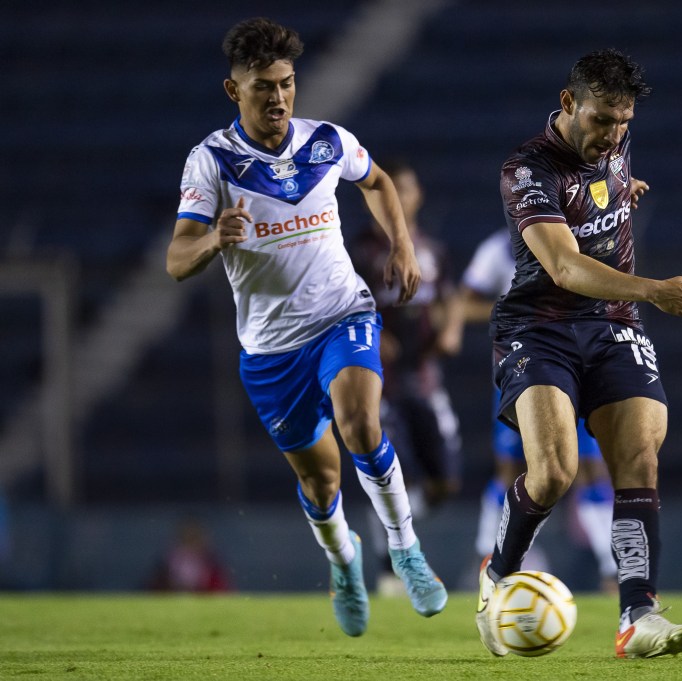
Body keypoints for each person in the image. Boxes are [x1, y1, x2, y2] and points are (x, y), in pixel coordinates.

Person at [166, 17, 446, 637]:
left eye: (287, 83)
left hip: (342, 312)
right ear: (232, 90)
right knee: (321, 482)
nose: (278, 97)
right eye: (262, 86)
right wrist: (215, 237)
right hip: (270, 350)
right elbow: (176, 258)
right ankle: (342, 561)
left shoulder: (325, 140)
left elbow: (375, 181)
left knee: (362, 423)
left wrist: (401, 244)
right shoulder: (211, 161)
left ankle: (405, 548)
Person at [474, 48, 682, 659]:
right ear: (568, 105)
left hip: (611, 322)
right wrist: (655, 290)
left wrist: (619, 191)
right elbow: (561, 266)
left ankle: (637, 614)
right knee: (555, 473)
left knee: (640, 452)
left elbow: (601, 185)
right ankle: (495, 579)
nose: (612, 135)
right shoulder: (526, 168)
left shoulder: (611, 148)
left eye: (623, 124)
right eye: (600, 121)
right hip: (538, 326)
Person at [461, 229, 617, 592]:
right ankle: (487, 555)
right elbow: (463, 303)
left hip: (579, 365)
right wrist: (515, 306)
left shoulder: (582, 237)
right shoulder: (498, 250)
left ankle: (614, 568)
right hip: (521, 370)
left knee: (592, 468)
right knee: (512, 469)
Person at [348, 159, 463, 591]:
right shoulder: (358, 250)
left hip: (426, 376)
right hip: (380, 380)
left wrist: (450, 328)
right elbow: (339, 299)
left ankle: (389, 530)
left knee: (445, 482)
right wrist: (369, 333)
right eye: (392, 189)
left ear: (418, 196)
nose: (401, 197)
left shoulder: (431, 249)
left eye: (408, 189)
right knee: (398, 471)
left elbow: (452, 295)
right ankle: (387, 564)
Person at [147, 518, 232, 592]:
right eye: (186, 537)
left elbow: (222, 593)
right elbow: (153, 592)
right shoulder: (165, 565)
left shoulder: (213, 565)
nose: (190, 543)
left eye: (194, 537)